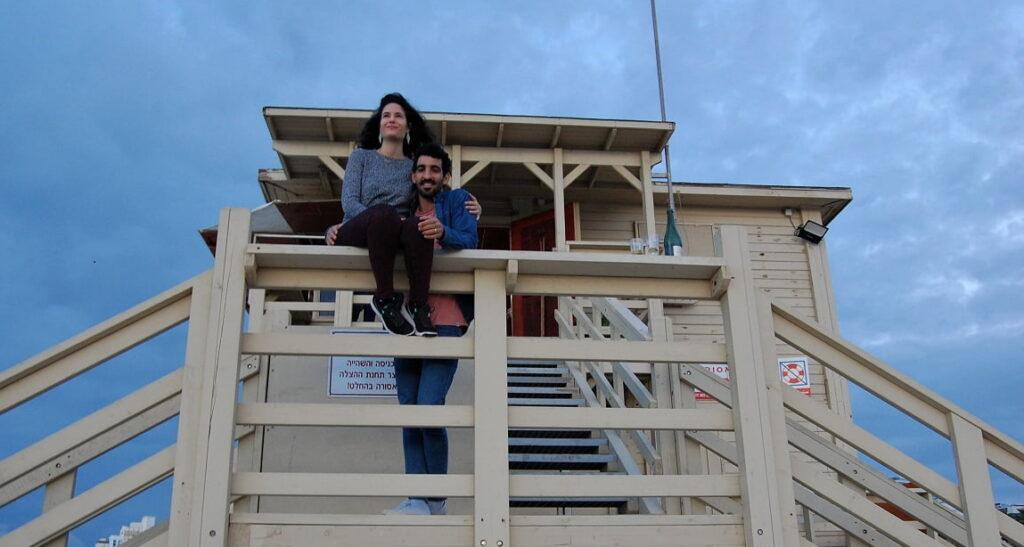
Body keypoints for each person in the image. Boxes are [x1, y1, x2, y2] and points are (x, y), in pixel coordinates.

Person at [324, 93, 479, 336]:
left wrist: (475, 208)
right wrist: (378, 221)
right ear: (379, 123)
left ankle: (418, 305)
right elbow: (349, 202)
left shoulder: (413, 165)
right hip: (361, 227)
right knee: (384, 215)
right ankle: (385, 299)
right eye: (386, 115)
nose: (392, 119)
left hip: (395, 235)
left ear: (408, 125)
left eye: (398, 115)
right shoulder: (361, 157)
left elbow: (434, 194)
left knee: (419, 224)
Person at [384, 143, 477, 516]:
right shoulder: (401, 209)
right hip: (406, 320)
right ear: (413, 175)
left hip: (447, 319)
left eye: (434, 170)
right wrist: (333, 229)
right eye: (421, 169)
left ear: (445, 176)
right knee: (409, 410)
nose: (427, 175)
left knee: (429, 406)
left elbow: (471, 240)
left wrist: (445, 232)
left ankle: (435, 496)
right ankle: (416, 495)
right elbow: (366, 226)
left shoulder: (458, 201)